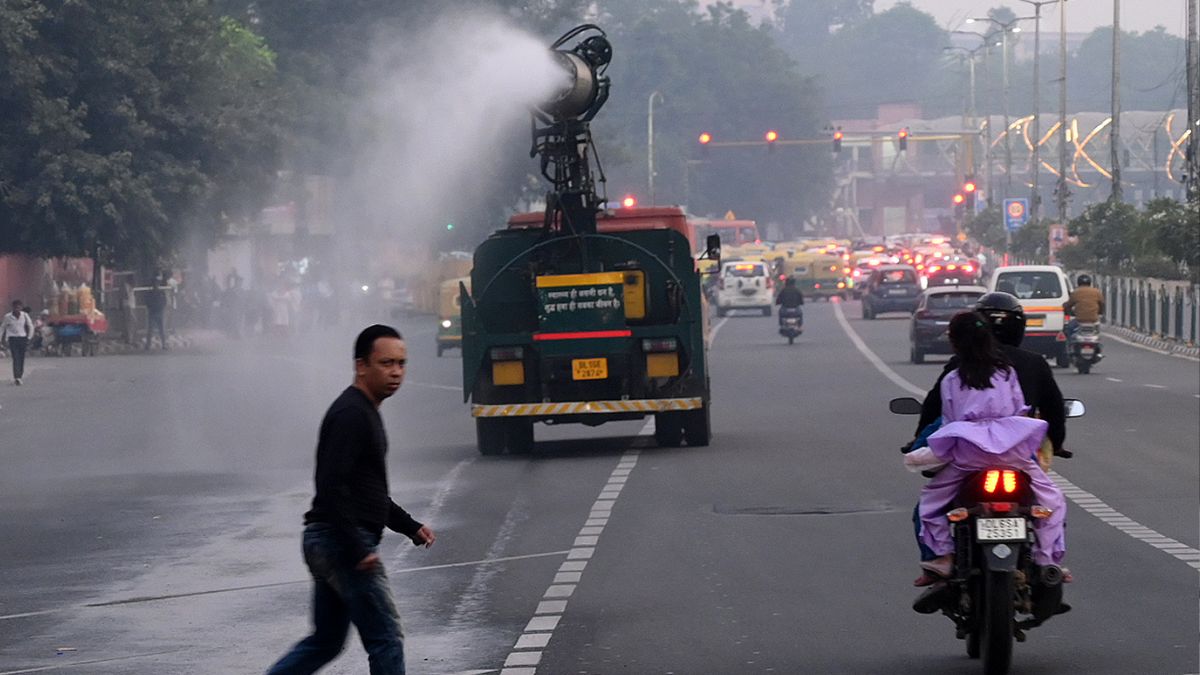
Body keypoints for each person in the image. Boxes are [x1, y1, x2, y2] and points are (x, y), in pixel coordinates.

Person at [266, 325, 435, 675]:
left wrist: (409, 526)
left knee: (326, 641)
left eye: (401, 363)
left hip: (328, 539)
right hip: (340, 541)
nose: (396, 372)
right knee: (386, 638)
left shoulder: (364, 410)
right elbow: (331, 485)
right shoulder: (352, 414)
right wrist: (357, 548)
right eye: (386, 363)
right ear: (361, 366)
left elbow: (366, 492)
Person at [903, 312, 1067, 579]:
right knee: (1052, 501)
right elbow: (1018, 407)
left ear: (955, 343)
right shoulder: (1007, 373)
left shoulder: (953, 378)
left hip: (970, 456)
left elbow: (950, 418)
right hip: (1012, 452)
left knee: (930, 503)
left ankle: (942, 557)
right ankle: (1046, 559)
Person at [916, 292, 1068, 460]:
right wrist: (1056, 442)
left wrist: (920, 440)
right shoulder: (1028, 365)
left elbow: (937, 407)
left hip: (967, 452)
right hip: (1015, 449)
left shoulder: (958, 367)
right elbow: (1053, 408)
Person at [1, 300, 35, 385]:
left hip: (22, 338)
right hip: (12, 339)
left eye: (19, 307)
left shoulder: (25, 315)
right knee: (15, 358)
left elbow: (30, 326)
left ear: (21, 307)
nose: (17, 309)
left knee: (21, 358)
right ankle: (17, 377)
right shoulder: (8, 316)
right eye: (15, 307)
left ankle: (20, 374)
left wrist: (29, 337)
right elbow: (2, 328)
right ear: (13, 307)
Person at [1063, 273, 1104, 340]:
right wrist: (1100, 312)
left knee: (1068, 329)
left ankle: (1069, 344)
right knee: (1097, 332)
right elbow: (1102, 304)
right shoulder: (1097, 292)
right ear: (1089, 283)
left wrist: (1066, 310)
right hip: (1093, 320)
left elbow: (1068, 305)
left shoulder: (1075, 292)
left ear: (1078, 283)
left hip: (1079, 320)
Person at [145, 275, 168, 350]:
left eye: (156, 283)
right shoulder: (150, 293)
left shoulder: (161, 292)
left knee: (162, 330)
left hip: (159, 312)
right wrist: (151, 308)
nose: (155, 285)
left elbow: (164, 302)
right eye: (154, 283)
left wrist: (161, 308)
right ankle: (148, 345)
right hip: (152, 313)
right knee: (150, 330)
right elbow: (147, 302)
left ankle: (164, 344)